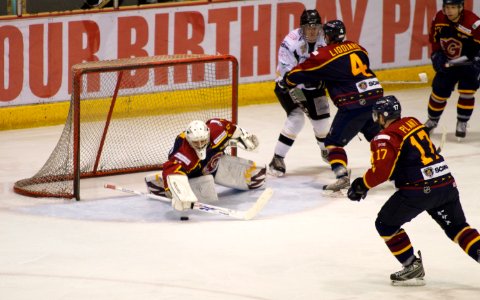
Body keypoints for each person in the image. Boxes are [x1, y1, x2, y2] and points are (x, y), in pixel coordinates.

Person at [347, 95, 480, 286]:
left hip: (419, 190)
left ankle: (411, 265)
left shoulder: (385, 137)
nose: (376, 120)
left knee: (385, 224)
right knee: (459, 228)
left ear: (383, 116)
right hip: (446, 183)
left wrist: (361, 185)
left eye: (377, 116)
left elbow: (382, 171)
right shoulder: (413, 122)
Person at [283, 19, 383, 192]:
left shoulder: (324, 54)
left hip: (353, 104)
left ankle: (341, 175)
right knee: (377, 137)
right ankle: (403, 168)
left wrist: (287, 80)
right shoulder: (358, 48)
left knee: (332, 142)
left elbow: (301, 72)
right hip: (375, 99)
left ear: (328, 36)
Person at [145, 118, 266, 211]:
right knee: (208, 192)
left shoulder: (217, 131)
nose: (200, 144)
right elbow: (170, 168)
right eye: (195, 142)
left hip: (211, 162)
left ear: (208, 134)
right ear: (188, 140)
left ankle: (213, 171)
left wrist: (243, 135)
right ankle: (163, 186)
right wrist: (180, 194)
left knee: (218, 161)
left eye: (203, 140)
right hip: (192, 172)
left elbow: (229, 128)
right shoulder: (184, 154)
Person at [268, 9, 330, 177]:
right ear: (302, 27)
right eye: (308, 27)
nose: (312, 31)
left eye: (316, 27)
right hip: (290, 87)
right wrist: (311, 79)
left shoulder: (326, 39)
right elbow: (287, 73)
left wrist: (327, 78)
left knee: (323, 123)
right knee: (297, 118)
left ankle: (326, 151)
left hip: (314, 87)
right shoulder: (290, 42)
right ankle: (277, 158)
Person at [424, 0, 480, 139]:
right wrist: (437, 55)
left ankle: (462, 122)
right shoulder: (439, 18)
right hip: (448, 62)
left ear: (461, 8)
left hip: (468, 64)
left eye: (453, 7)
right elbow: (434, 39)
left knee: (467, 92)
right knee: (438, 93)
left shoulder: (474, 23)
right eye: (447, 7)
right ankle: (432, 120)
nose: (449, 11)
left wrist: (477, 60)